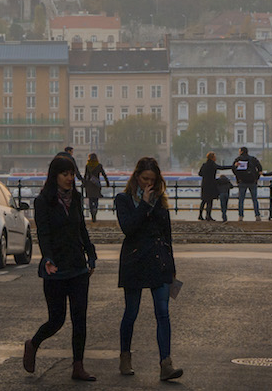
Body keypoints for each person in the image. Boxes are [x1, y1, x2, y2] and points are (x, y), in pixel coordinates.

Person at [23, 156, 98, 382]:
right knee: (57, 320)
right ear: (54, 176)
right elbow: (43, 233)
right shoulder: (43, 201)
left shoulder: (75, 197)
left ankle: (78, 366)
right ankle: (33, 343)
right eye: (65, 174)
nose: (69, 178)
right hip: (55, 268)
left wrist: (91, 254)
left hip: (77, 266)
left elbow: (81, 228)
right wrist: (47, 257)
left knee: (79, 318)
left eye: (72, 174)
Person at [114, 157, 183, 381]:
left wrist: (172, 265)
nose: (148, 184)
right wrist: (144, 203)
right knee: (131, 312)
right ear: (136, 177)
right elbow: (128, 228)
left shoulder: (160, 201)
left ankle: (166, 364)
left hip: (158, 260)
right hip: (134, 261)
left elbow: (167, 233)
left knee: (163, 313)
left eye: (152, 180)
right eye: (145, 179)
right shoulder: (123, 199)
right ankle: (125, 356)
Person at [231, 147, 263, 221]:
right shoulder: (253, 159)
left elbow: (233, 169)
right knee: (254, 199)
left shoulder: (238, 159)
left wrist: (238, 177)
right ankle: (257, 215)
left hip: (242, 182)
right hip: (252, 181)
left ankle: (241, 216)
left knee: (241, 199)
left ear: (241, 152)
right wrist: (256, 178)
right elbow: (259, 168)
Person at [197, 152, 231, 221]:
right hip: (211, 184)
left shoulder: (204, 165)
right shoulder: (213, 165)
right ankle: (208, 216)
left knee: (203, 201)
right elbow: (221, 168)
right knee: (210, 201)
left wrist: (205, 175)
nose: (216, 158)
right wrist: (232, 166)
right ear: (212, 158)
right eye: (215, 157)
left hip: (204, 184)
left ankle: (200, 215)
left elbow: (200, 174)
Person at [82, 153, 111, 222]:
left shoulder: (87, 166)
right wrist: (107, 182)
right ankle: (95, 211)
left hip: (89, 185)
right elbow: (104, 174)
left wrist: (84, 183)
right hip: (96, 185)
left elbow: (85, 176)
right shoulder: (99, 165)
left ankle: (92, 213)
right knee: (96, 200)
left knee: (90, 200)